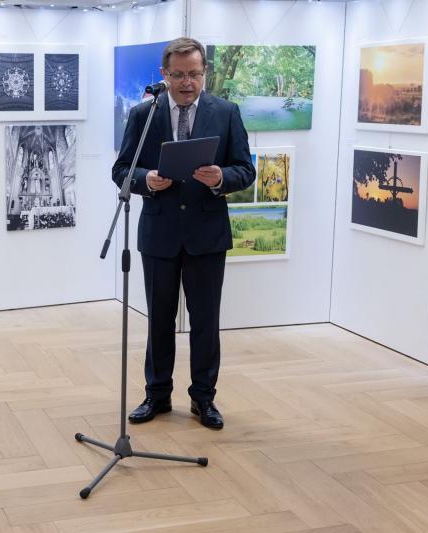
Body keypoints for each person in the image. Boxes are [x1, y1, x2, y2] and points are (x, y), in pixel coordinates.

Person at [112, 38, 255, 429]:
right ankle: (157, 396)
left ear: (204, 72)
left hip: (207, 236)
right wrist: (146, 180)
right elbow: (121, 170)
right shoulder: (144, 114)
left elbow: (246, 169)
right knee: (159, 320)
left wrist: (221, 177)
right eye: (178, 75)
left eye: (194, 74)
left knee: (205, 322)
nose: (187, 82)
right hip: (159, 234)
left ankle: (203, 399)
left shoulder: (225, 112)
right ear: (164, 74)